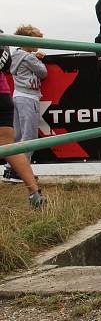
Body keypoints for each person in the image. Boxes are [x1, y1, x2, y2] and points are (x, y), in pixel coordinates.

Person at [0, 36, 45, 207]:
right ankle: (34, 193)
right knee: (8, 144)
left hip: (11, 94)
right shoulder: (3, 37)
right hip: (3, 93)